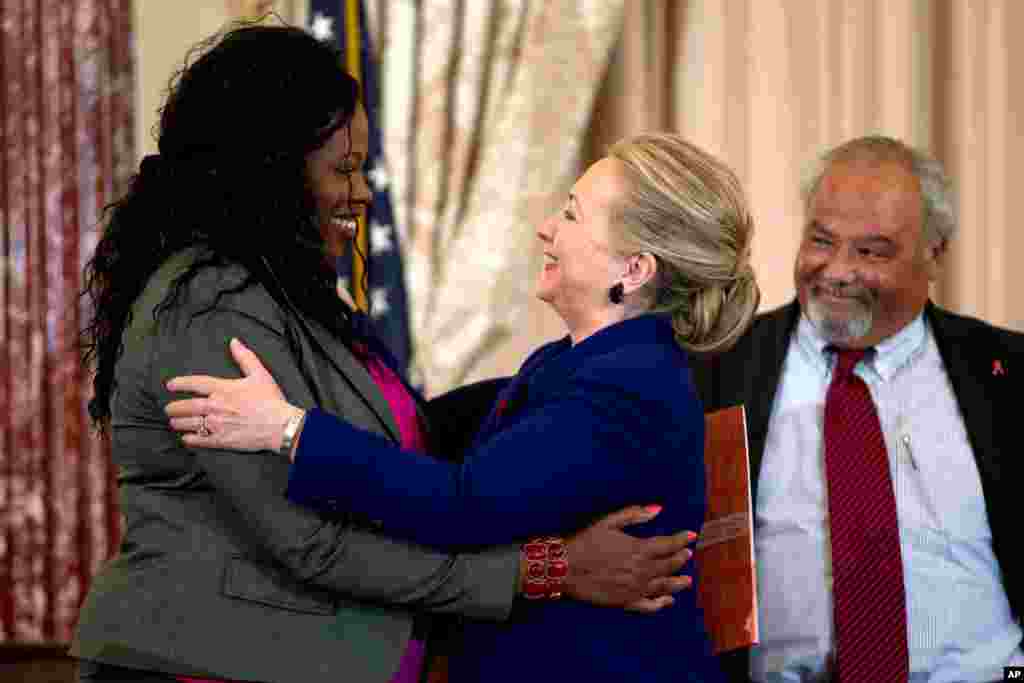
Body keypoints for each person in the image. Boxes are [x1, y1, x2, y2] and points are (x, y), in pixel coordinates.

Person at [72, 23, 699, 683]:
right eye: (343, 169)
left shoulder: (291, 297)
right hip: (198, 665)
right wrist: (548, 569)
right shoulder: (210, 304)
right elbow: (311, 540)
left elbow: (410, 430)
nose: (364, 194)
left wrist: (559, 397)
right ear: (272, 170)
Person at [164, 132, 761, 682]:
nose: (546, 228)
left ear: (634, 270)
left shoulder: (626, 387)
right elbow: (438, 429)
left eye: (573, 214)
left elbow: (465, 504)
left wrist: (286, 429)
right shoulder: (580, 361)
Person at [690, 136, 1023, 683]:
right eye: (821, 241)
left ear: (933, 255)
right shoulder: (716, 370)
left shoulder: (1010, 376)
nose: (838, 271)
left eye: (871, 252)